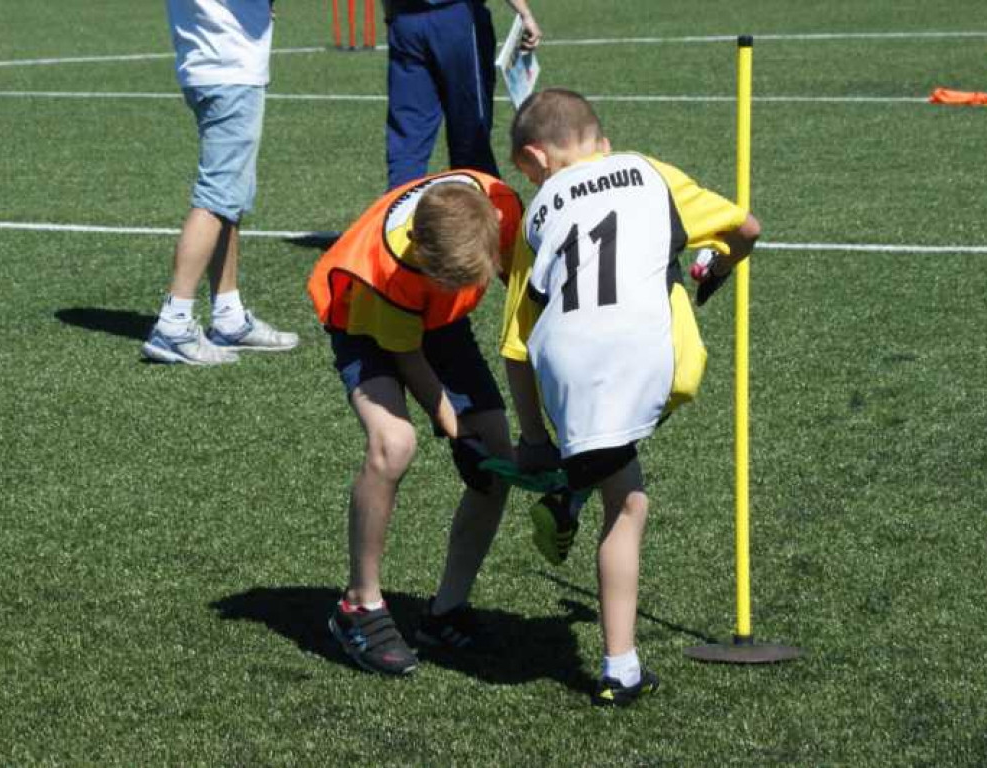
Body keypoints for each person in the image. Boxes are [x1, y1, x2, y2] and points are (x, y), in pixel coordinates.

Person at [499, 89, 761, 706]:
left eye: (529, 171)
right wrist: (717, 268)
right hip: (660, 367)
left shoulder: (539, 212)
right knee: (628, 501)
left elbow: (516, 345)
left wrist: (534, 440)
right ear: (603, 142)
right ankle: (617, 665)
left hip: (563, 370)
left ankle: (572, 483)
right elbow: (746, 228)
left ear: (536, 158)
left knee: (621, 484)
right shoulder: (649, 171)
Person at [307, 170, 523, 675]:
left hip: (439, 319)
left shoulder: (501, 208)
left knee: (498, 454)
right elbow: (408, 357)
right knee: (394, 444)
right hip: (364, 321)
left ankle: (446, 609)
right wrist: (456, 432)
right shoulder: (392, 266)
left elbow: (527, 302)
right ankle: (359, 607)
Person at [143, 0, 298, 365]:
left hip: (206, 63)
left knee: (231, 197)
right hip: (230, 66)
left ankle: (228, 316)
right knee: (217, 198)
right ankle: (173, 325)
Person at [384, 0, 542, 189]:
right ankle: (483, 211)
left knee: (408, 138)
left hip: (405, 19)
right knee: (471, 136)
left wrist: (393, 14)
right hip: (456, 17)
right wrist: (525, 14)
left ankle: (397, 212)